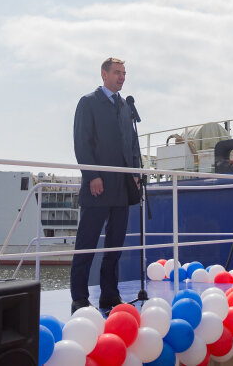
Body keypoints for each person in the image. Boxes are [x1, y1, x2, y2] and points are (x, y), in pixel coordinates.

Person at [70, 57, 143, 312]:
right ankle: (79, 296)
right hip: (98, 186)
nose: (122, 77)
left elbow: (132, 143)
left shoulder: (124, 107)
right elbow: (82, 141)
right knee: (87, 243)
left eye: (124, 73)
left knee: (115, 245)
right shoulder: (88, 102)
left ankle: (109, 294)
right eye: (117, 72)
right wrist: (93, 176)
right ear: (104, 74)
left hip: (122, 187)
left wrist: (135, 172)